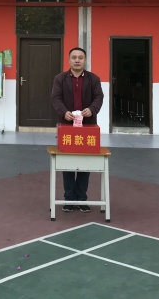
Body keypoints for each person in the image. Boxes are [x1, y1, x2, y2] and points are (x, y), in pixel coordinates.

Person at [51, 47, 104, 213]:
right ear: (69, 60)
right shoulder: (59, 79)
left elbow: (99, 97)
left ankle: (81, 198)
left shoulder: (93, 79)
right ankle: (69, 199)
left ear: (85, 60)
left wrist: (92, 109)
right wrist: (63, 112)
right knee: (67, 162)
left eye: (80, 57)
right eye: (74, 57)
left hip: (88, 126)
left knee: (84, 162)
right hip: (66, 125)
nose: (77, 60)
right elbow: (56, 98)